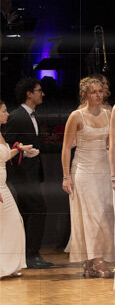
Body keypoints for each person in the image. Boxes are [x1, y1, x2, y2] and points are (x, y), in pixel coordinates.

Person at [61, 77, 115, 279]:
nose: (98, 95)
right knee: (92, 215)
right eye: (93, 92)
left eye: (100, 91)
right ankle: (97, 260)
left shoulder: (109, 114)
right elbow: (66, 148)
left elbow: (111, 144)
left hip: (104, 169)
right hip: (84, 170)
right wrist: (66, 176)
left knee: (105, 214)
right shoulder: (76, 116)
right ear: (84, 95)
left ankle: (91, 261)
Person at [5, 78, 50, 268]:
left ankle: (27, 256)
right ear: (29, 94)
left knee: (29, 212)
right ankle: (32, 255)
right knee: (38, 209)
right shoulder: (17, 116)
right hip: (21, 174)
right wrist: (22, 151)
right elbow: (6, 143)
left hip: (31, 173)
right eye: (39, 90)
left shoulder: (32, 115)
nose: (42, 94)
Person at [0, 100, 28, 278]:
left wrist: (18, 149)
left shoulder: (0, 133)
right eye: (3, 111)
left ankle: (8, 265)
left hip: (3, 186)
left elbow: (3, 156)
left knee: (14, 223)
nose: (7, 114)